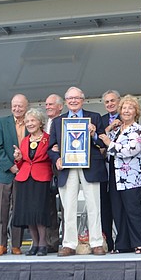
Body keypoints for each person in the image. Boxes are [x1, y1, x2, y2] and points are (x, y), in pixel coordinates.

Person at [48, 86, 109, 256]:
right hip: (67, 168)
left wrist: (95, 134)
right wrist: (57, 159)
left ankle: (96, 242)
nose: (73, 101)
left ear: (83, 100)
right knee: (68, 206)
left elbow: (103, 144)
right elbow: (50, 148)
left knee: (94, 205)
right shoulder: (58, 121)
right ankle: (69, 244)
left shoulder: (94, 117)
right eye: (70, 98)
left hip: (90, 166)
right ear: (66, 101)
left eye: (77, 98)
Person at [98, 95, 141, 254]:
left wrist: (109, 143)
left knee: (133, 209)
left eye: (130, 108)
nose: (126, 111)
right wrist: (107, 137)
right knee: (118, 211)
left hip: (132, 177)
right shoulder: (117, 130)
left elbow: (130, 150)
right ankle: (123, 244)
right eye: (124, 108)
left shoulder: (137, 129)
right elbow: (104, 147)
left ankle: (139, 242)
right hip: (115, 176)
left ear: (136, 112)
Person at [12, 108, 53, 256]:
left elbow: (51, 157)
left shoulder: (48, 138)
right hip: (24, 178)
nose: (29, 123)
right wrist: (17, 158)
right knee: (28, 213)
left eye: (32, 120)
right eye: (27, 121)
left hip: (41, 177)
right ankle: (34, 244)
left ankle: (43, 244)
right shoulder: (25, 140)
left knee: (39, 212)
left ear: (40, 122)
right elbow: (22, 162)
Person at [0, 94, 29, 256]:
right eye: (14, 105)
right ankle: (0, 245)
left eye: (20, 105)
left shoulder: (31, 122)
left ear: (26, 107)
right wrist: (11, 166)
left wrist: (22, 167)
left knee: (19, 210)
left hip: (25, 172)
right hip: (4, 173)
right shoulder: (1, 122)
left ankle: (16, 245)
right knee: (1, 210)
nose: (17, 108)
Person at [100, 90, 121, 251]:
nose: (110, 104)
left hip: (120, 169)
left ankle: (122, 242)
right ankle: (108, 243)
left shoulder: (127, 116)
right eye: (107, 102)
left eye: (112, 101)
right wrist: (108, 127)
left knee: (118, 206)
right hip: (103, 168)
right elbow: (97, 141)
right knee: (104, 208)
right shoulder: (100, 120)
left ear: (119, 101)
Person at [43, 94, 65, 252]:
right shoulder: (41, 123)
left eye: (51, 104)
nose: (48, 107)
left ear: (60, 106)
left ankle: (68, 240)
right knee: (48, 206)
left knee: (66, 205)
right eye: (46, 104)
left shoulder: (66, 121)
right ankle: (51, 242)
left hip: (62, 166)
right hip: (44, 167)